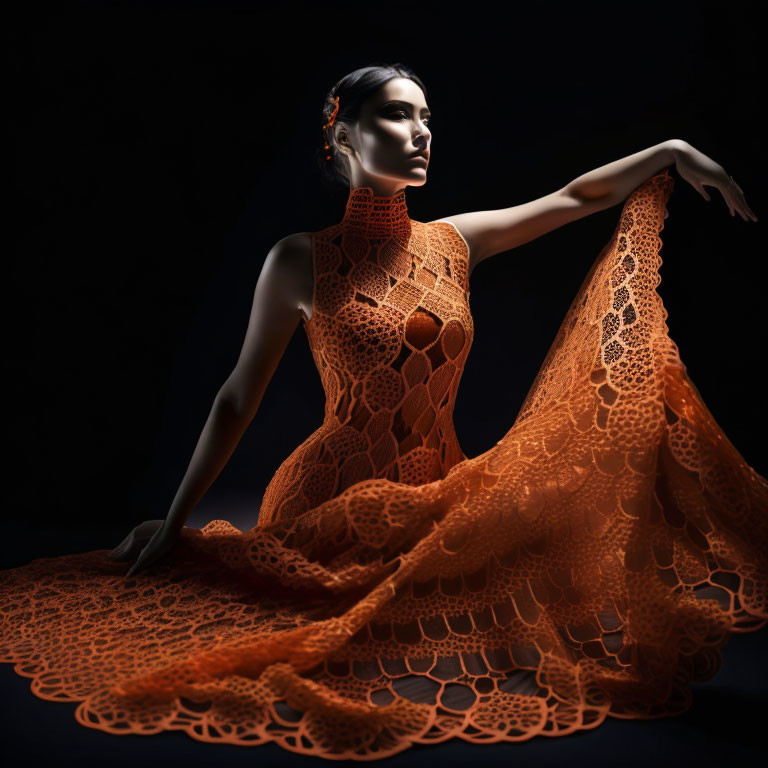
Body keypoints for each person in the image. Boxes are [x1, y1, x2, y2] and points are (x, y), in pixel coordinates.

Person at [1, 62, 764, 761]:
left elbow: (577, 197)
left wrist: (669, 149)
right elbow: (239, 393)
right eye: (399, 116)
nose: (422, 132)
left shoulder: (454, 242)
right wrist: (176, 520)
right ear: (345, 136)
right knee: (324, 641)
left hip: (438, 493)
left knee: (544, 572)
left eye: (427, 116)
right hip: (326, 503)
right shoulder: (298, 258)